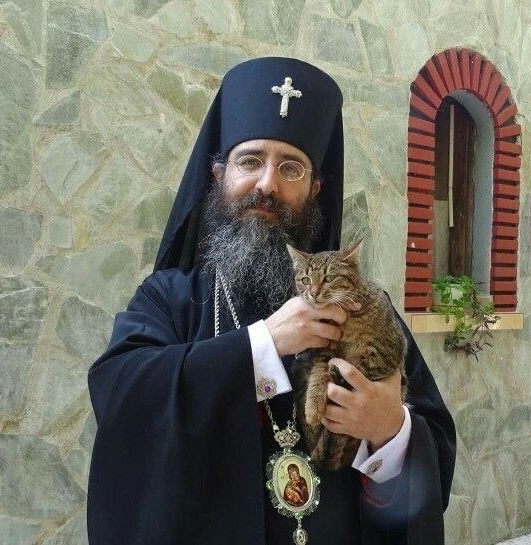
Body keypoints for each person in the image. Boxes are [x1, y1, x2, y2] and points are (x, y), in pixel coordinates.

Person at [86, 57, 456, 545]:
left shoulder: (363, 308)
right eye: (250, 161)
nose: (267, 184)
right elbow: (120, 397)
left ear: (314, 189)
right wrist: (261, 344)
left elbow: (434, 451)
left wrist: (391, 429)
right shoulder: (170, 298)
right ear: (218, 174)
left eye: (290, 168)